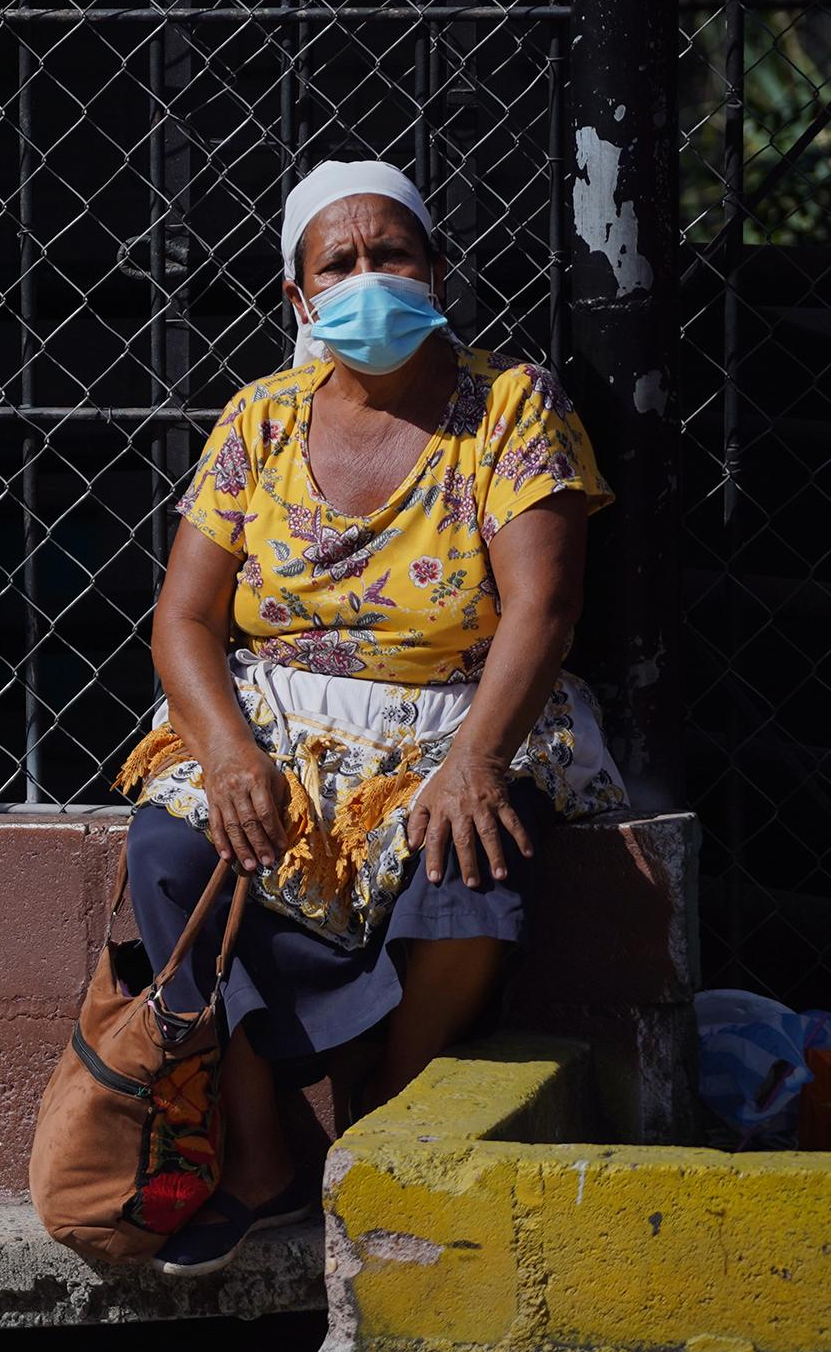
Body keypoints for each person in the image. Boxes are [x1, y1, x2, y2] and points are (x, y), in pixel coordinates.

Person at [111, 159, 627, 1276]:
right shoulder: (260, 417)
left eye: (389, 254)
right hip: (280, 713)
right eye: (335, 264)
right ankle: (262, 1152)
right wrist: (230, 752)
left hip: (459, 708)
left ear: (436, 268)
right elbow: (185, 619)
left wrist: (476, 757)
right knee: (169, 849)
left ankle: (385, 1119)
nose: (366, 278)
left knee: (471, 864)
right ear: (299, 301)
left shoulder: (508, 403)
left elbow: (546, 602)